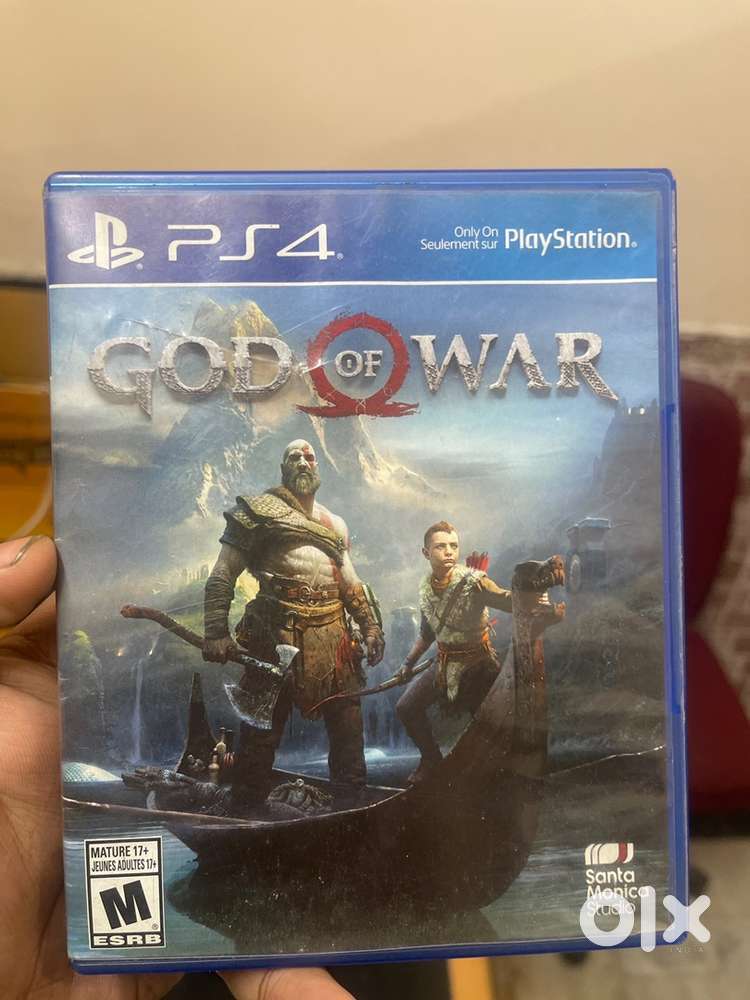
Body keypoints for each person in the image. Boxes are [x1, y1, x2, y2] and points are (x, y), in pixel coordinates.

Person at [0, 533, 352, 999]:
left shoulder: (305, 615)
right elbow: (232, 641)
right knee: (249, 775)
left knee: (260, 775)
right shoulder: (257, 615)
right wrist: (218, 642)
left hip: (274, 711)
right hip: (251, 729)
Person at [202, 439, 385, 808]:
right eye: (294, 457)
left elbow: (350, 582)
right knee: (260, 736)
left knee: (349, 735)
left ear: (317, 468)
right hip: (276, 633)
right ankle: (246, 811)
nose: (303, 462)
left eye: (309, 457)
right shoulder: (257, 512)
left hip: (334, 638)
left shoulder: (335, 524)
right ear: (284, 468)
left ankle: (352, 810)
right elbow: (223, 571)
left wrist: (370, 627)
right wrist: (216, 631)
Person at [395, 521, 513, 783]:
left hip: (478, 664)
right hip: (445, 664)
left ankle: (496, 774)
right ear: (426, 553)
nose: (449, 551)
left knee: (487, 724)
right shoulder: (427, 590)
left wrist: (531, 598)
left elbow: (507, 600)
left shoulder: (475, 581)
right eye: (440, 546)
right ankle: (431, 760)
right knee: (406, 708)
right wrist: (407, 664)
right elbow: (427, 634)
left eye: (453, 546)